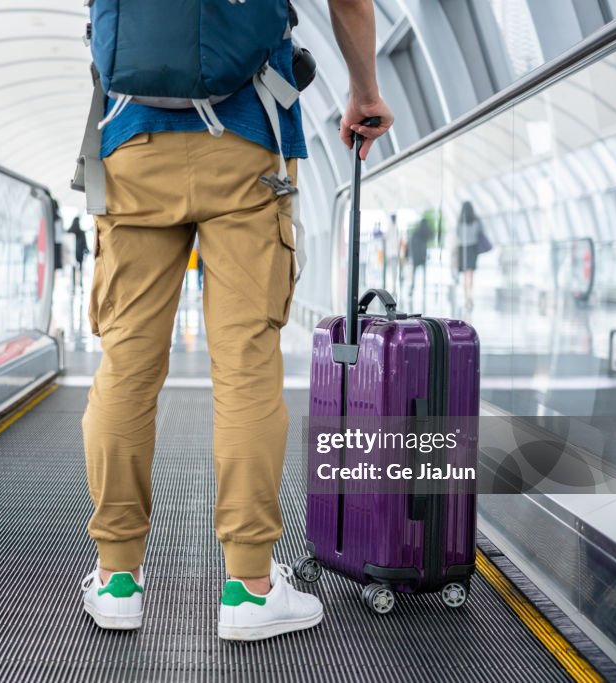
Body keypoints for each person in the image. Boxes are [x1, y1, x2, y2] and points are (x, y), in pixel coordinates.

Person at [80, 0, 394, 640]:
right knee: (247, 367)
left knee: (127, 367)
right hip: (251, 141)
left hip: (131, 143)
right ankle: (250, 588)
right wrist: (364, 91)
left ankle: (117, 580)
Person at [455, 200, 482, 310]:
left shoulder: (460, 222)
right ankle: (470, 295)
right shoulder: (476, 221)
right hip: (473, 248)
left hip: (463, 248)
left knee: (465, 274)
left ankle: (466, 297)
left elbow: (458, 234)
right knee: (471, 273)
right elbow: (480, 232)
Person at [408, 215, 432, 303]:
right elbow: (431, 236)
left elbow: (412, 243)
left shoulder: (416, 232)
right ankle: (424, 288)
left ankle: (412, 287)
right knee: (423, 273)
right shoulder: (425, 233)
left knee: (414, 273)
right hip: (423, 255)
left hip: (416, 256)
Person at [68, 216, 89, 290]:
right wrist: (86, 251)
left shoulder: (70, 231)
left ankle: (73, 285)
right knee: (80, 268)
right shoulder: (81, 232)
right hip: (80, 253)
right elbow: (84, 244)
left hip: (72, 254)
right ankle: (81, 284)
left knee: (73, 269)